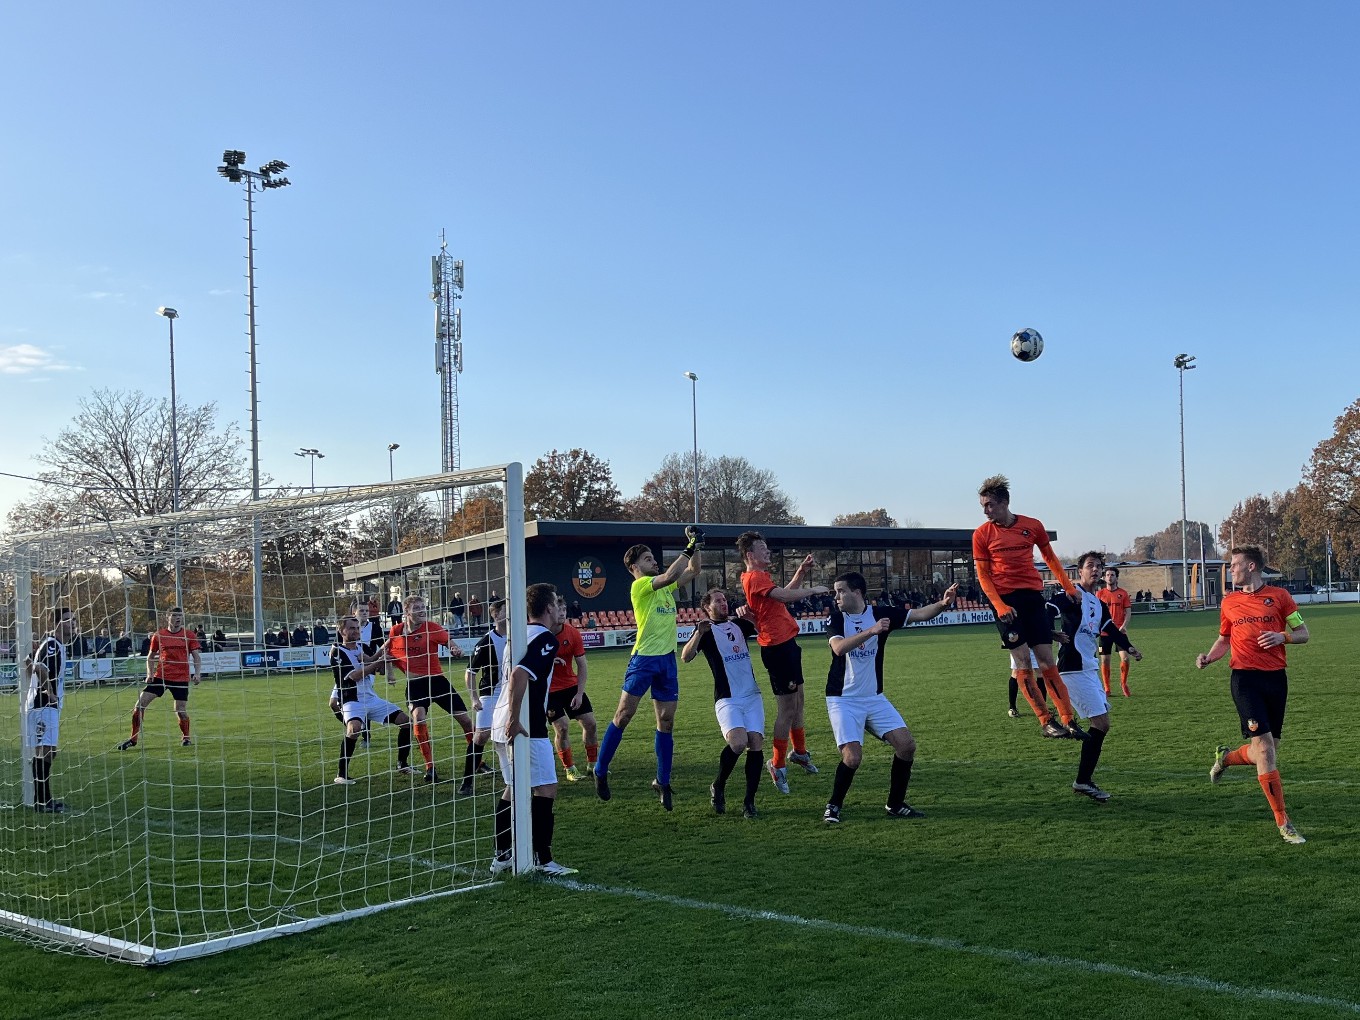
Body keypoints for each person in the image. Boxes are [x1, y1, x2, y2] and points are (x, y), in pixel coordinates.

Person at [821, 573, 958, 825]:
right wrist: (871, 631)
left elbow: (919, 614)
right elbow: (838, 648)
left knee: (906, 746)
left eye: (840, 591)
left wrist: (943, 604)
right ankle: (833, 805)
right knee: (852, 758)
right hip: (843, 699)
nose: (836, 597)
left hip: (874, 698)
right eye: (835, 592)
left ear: (858, 592)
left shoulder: (882, 613)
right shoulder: (836, 618)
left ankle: (895, 804)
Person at [1199, 546, 1310, 845]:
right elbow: (1224, 639)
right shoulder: (1229, 602)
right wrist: (1209, 657)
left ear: (1251, 566)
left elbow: (1304, 633)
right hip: (1244, 679)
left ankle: (1226, 758)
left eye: (1234, 564)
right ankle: (1283, 822)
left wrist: (1282, 636)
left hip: (1276, 680)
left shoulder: (1281, 597)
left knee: (1268, 749)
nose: (1230, 569)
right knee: (1265, 750)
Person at [593, 528, 703, 809]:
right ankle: (600, 770)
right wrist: (689, 544)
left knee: (666, 722)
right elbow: (669, 575)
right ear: (634, 567)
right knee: (624, 714)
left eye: (653, 557)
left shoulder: (665, 587)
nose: (653, 561)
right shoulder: (640, 586)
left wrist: (698, 544)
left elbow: (694, 569)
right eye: (647, 558)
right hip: (644, 659)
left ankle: (662, 782)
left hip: (666, 661)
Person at [972, 475, 1086, 741]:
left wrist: (1068, 587)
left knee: (1047, 660)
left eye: (989, 505)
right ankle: (1046, 721)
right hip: (1004, 601)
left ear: (1004, 502)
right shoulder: (982, 534)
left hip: (1032, 598)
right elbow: (983, 575)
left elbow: (1050, 558)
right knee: (1023, 661)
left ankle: (1069, 720)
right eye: (983, 506)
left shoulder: (1032, 526)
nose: (986, 511)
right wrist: (999, 606)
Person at [489, 583, 576, 876]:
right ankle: (543, 859)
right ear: (549, 607)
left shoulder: (519, 636)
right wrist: (516, 718)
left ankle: (502, 855)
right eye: (556, 602)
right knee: (547, 788)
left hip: (499, 722)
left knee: (514, 788)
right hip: (526, 726)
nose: (559, 608)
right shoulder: (545, 639)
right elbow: (518, 675)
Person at [736, 530, 829, 794]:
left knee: (798, 702)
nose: (768, 551)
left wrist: (800, 573)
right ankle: (777, 764)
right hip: (776, 649)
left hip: (786, 644)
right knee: (787, 709)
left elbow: (781, 595)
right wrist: (813, 589)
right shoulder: (754, 577)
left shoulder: (762, 578)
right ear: (750, 555)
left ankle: (799, 753)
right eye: (763, 548)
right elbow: (784, 597)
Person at [1050, 553, 1142, 802]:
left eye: (1099, 566)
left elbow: (1111, 628)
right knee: (1101, 724)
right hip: (1072, 668)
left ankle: (1082, 777)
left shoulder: (1096, 602)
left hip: (1087, 668)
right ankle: (1081, 779)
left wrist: (1129, 647)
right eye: (1090, 565)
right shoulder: (1071, 595)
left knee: (1101, 725)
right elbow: (1047, 609)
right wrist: (1051, 632)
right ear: (1079, 571)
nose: (1096, 569)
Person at [680, 588, 763, 819]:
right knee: (738, 743)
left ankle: (749, 802)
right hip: (727, 698)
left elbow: (764, 630)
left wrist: (752, 617)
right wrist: (698, 632)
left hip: (752, 695)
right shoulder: (705, 631)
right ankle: (718, 785)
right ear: (707, 608)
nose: (723, 603)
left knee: (755, 744)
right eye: (718, 601)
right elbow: (685, 657)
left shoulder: (739, 625)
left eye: (725, 600)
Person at [381, 593, 474, 784]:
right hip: (415, 684)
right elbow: (388, 652)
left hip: (437, 681)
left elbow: (448, 642)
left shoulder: (432, 627)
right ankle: (430, 767)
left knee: (465, 720)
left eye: (423, 607)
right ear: (406, 611)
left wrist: (455, 649)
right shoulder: (396, 631)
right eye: (416, 608)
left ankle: (477, 760)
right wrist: (390, 673)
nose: (422, 611)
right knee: (418, 717)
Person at [330, 614, 413, 784]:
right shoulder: (338, 652)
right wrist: (377, 664)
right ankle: (342, 775)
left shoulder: (361, 647)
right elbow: (354, 676)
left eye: (357, 628)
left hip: (371, 698)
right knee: (354, 730)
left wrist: (391, 642)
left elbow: (372, 659)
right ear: (341, 630)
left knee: (406, 722)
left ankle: (402, 764)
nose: (355, 631)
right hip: (352, 699)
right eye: (351, 628)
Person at [118, 606, 202, 749]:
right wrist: (150, 674)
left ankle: (186, 738)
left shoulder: (189, 635)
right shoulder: (159, 635)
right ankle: (133, 739)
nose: (178, 618)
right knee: (139, 705)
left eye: (180, 616)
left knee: (180, 711)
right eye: (175, 616)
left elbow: (196, 656)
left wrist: (197, 673)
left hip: (180, 678)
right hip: (161, 677)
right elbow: (150, 657)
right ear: (167, 617)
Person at [27, 607, 78, 812]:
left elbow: (30, 663)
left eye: (73, 619)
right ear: (56, 623)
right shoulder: (51, 645)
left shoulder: (56, 645)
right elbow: (40, 668)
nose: (72, 623)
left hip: (44, 706)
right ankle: (43, 802)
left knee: (49, 753)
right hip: (43, 705)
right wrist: (50, 692)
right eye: (67, 620)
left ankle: (43, 799)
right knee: (45, 752)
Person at [547, 595, 598, 783]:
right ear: (549, 612)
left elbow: (582, 666)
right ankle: (569, 768)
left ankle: (592, 766)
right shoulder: (539, 634)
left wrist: (579, 692)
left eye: (564, 611)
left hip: (570, 686)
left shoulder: (573, 633)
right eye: (558, 610)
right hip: (549, 690)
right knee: (562, 727)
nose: (562, 614)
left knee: (590, 724)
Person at [462, 597, 508, 796]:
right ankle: (467, 781)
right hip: (490, 694)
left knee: (511, 735)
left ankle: (514, 778)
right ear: (495, 614)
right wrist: (473, 699)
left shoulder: (520, 636)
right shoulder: (486, 642)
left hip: (512, 693)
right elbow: (469, 673)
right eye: (506, 609)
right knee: (481, 736)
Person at [1097, 566, 1134, 697]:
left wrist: (1124, 626)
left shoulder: (1123, 594)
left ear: (1116, 577)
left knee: (1125, 658)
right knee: (1105, 660)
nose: (1110, 577)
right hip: (1105, 633)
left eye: (1112, 575)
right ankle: (1107, 688)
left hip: (1119, 631)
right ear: (1104, 577)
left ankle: (1123, 684)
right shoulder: (1099, 594)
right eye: (1107, 575)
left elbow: (1128, 612)